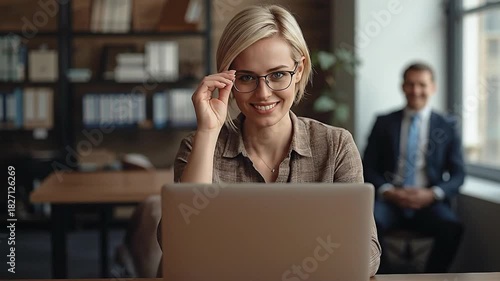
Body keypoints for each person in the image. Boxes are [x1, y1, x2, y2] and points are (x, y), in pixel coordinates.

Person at [170, 4, 380, 277]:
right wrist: (209, 132)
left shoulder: (336, 145)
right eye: (246, 77)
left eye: (278, 74)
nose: (263, 93)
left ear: (299, 70)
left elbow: (367, 256)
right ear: (227, 80)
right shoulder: (197, 146)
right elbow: (179, 245)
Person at [363, 62, 465, 273]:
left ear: (433, 87)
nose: (415, 91)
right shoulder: (383, 122)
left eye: (422, 85)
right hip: (390, 200)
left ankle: (430, 277)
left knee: (452, 228)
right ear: (402, 87)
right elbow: (368, 167)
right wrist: (389, 191)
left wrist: (432, 194)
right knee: (366, 226)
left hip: (429, 202)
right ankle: (386, 276)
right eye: (410, 84)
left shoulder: (448, 125)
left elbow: (458, 174)